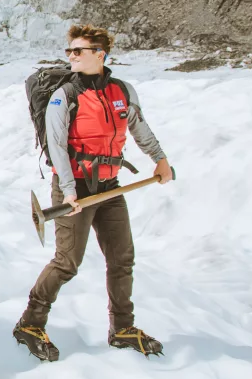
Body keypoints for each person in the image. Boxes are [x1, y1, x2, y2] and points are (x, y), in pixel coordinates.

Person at [14, 25, 173, 361]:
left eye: (79, 50)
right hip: (74, 189)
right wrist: (69, 191)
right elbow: (56, 145)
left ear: (100, 54)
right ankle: (30, 322)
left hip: (110, 186)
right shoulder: (64, 94)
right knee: (67, 262)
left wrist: (160, 159)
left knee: (122, 258)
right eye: (69, 50)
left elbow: (139, 128)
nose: (71, 55)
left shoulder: (121, 91)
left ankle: (122, 328)